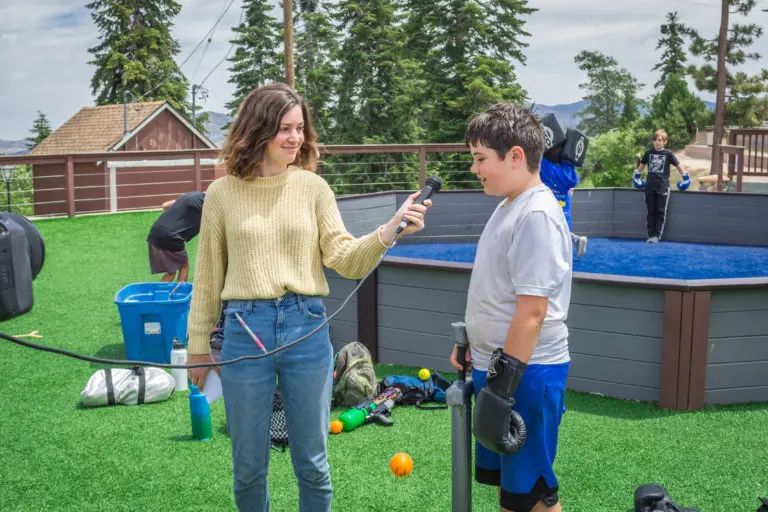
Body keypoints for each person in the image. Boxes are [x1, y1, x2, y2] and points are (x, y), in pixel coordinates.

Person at [185, 82, 431, 512]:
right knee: (248, 466)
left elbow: (345, 258)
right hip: (245, 331)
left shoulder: (314, 188)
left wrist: (390, 228)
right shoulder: (222, 194)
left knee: (313, 464)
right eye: (284, 128)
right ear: (257, 130)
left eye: (300, 128)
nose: (296, 138)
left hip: (307, 328)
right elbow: (207, 277)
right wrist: (197, 347)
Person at [450, 102, 572, 512]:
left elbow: (533, 312)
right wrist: (472, 342)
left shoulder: (536, 213)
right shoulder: (509, 205)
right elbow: (498, 291)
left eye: (480, 158)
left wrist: (502, 387)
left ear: (516, 156)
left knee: (534, 494)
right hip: (500, 368)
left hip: (526, 375)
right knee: (514, 494)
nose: (475, 168)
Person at [633, 129, 689, 243]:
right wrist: (636, 177)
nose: (657, 142)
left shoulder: (668, 154)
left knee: (660, 212)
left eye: (659, 140)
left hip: (663, 187)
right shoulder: (648, 153)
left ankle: (657, 236)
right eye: (655, 140)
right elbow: (641, 167)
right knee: (650, 212)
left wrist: (686, 178)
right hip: (649, 187)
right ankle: (650, 235)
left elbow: (679, 166)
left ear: (664, 142)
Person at [146, 191, 205, 281]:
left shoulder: (189, 196)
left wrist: (173, 221)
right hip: (171, 236)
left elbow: (165, 205)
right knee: (183, 265)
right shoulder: (206, 202)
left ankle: (158, 293)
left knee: (171, 271)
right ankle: (180, 291)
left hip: (156, 231)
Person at [539, 155, 588, 258]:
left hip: (548, 197)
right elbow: (571, 186)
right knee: (562, 224)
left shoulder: (545, 161)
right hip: (564, 198)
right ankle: (576, 240)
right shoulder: (568, 162)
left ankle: (575, 241)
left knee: (549, 226)